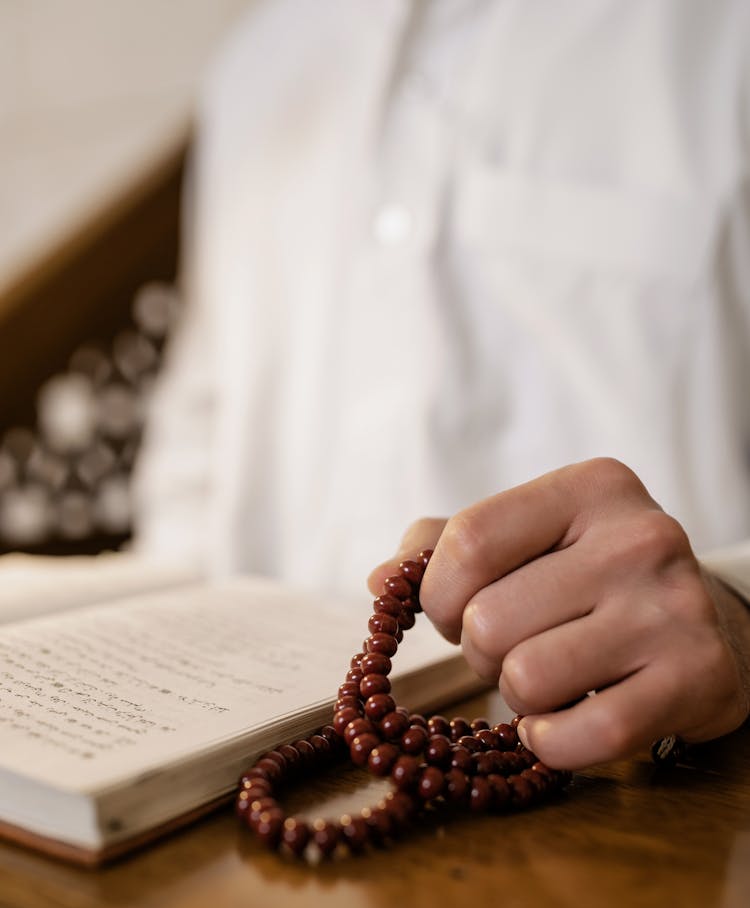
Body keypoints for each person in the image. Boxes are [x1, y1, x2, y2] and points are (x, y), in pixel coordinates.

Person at [133, 0, 750, 769]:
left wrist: (735, 611)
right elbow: (188, 484)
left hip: (642, 789)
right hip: (234, 791)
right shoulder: (256, 67)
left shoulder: (722, 39)